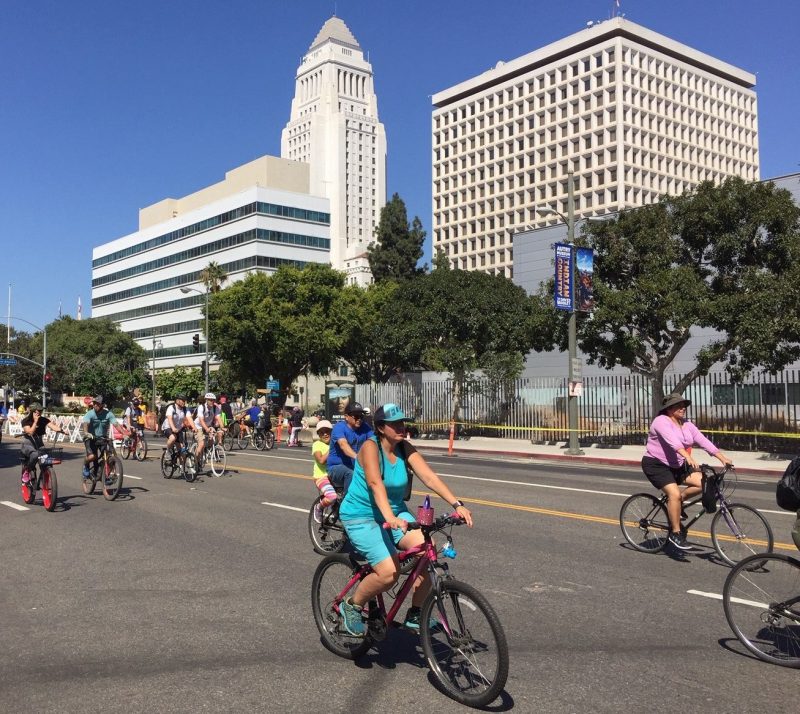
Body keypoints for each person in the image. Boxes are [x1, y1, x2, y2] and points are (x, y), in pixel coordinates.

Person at [337, 403, 473, 636]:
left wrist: (457, 504)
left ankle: (415, 614)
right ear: (380, 427)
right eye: (395, 424)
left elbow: (429, 477)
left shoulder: (404, 448)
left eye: (403, 422)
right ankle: (352, 605)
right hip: (362, 515)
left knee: (426, 552)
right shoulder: (370, 447)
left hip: (395, 513)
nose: (402, 427)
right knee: (389, 573)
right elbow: (374, 483)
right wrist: (389, 517)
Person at [641, 392, 733, 551]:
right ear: (669, 408)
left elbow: (703, 441)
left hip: (677, 464)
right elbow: (673, 442)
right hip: (656, 464)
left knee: (704, 482)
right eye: (678, 405)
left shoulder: (687, 425)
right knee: (673, 494)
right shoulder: (661, 421)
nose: (682, 408)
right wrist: (686, 456)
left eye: (684, 405)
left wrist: (722, 458)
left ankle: (679, 502)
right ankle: (676, 533)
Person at [327, 401, 373, 493]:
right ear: (346, 417)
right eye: (356, 416)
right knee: (350, 473)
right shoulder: (339, 427)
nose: (359, 419)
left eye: (361, 416)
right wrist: (357, 457)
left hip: (356, 466)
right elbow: (344, 445)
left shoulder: (365, 427)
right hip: (336, 468)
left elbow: (375, 442)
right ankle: (347, 502)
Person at [20, 403, 69, 482]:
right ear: (33, 411)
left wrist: (62, 431)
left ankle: (45, 474)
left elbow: (53, 426)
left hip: (39, 444)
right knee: (35, 454)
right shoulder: (26, 421)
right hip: (28, 444)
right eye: (38, 410)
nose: (40, 412)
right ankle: (27, 470)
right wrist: (35, 422)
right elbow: (30, 433)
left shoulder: (43, 420)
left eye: (41, 410)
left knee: (46, 458)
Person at [82, 395, 127, 479]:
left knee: (112, 455)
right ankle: (85, 465)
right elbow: (85, 424)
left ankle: (105, 474)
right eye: (94, 403)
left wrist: (124, 434)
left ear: (102, 405)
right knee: (92, 456)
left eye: (97, 404)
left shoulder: (108, 414)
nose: (95, 405)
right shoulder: (90, 414)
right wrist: (86, 433)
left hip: (102, 438)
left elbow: (116, 424)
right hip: (90, 438)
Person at [311, 419, 334, 522]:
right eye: (322, 432)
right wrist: (332, 448)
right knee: (332, 497)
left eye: (327, 431)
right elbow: (321, 460)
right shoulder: (317, 445)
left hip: (335, 476)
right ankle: (319, 507)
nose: (325, 434)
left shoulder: (339, 443)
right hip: (321, 477)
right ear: (318, 434)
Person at [194, 392, 223, 463]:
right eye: (210, 400)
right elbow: (201, 420)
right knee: (201, 444)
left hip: (208, 426)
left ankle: (205, 450)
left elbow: (218, 418)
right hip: (199, 426)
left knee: (213, 440)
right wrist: (206, 429)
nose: (212, 401)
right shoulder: (201, 407)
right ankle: (196, 461)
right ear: (206, 400)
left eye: (213, 400)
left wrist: (222, 427)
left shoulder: (216, 408)